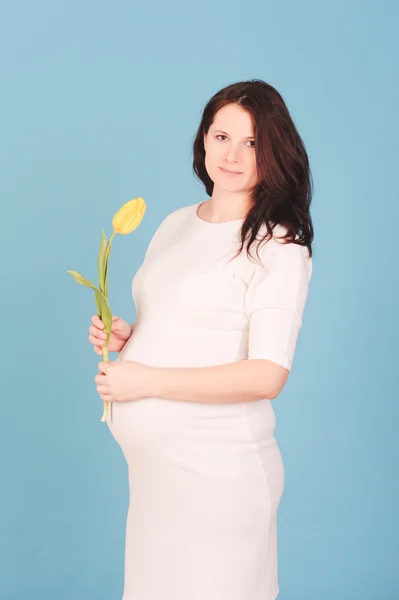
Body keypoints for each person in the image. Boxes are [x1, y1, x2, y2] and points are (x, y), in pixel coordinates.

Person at [89, 79, 314, 600]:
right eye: (221, 136)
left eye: (252, 143)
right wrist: (127, 336)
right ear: (203, 141)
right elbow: (185, 324)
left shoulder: (277, 243)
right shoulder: (174, 224)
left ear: (273, 151)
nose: (232, 154)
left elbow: (268, 374)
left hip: (220, 478)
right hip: (155, 481)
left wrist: (146, 380)